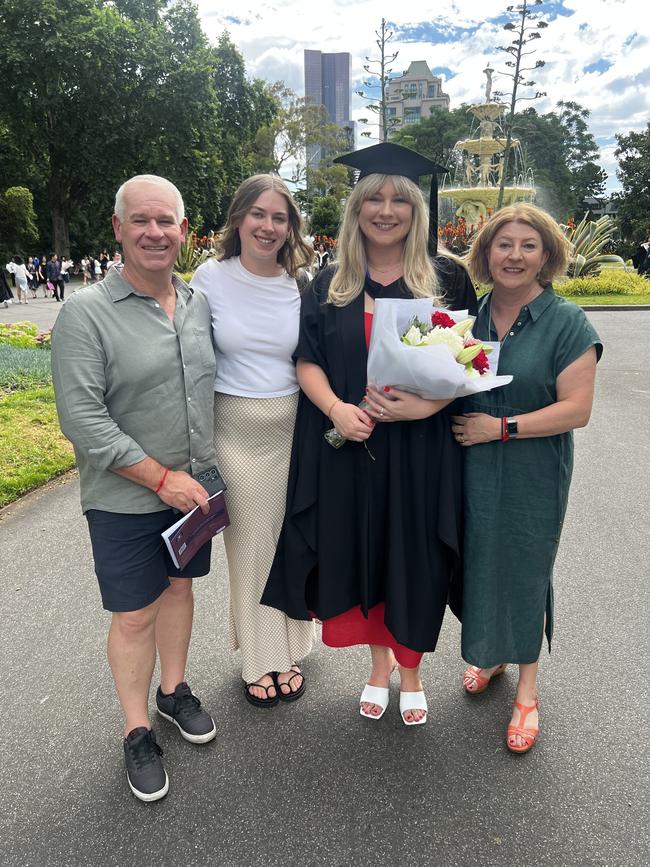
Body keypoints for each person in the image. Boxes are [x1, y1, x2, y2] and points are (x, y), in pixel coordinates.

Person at [262, 142, 477, 725]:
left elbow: (471, 365)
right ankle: (379, 667)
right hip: (349, 449)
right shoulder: (331, 282)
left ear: (416, 211)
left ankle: (412, 672)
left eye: (399, 200)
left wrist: (428, 409)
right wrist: (334, 407)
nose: (386, 210)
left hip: (420, 451)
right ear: (356, 210)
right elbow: (307, 360)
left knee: (415, 553)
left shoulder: (448, 278)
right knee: (366, 551)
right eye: (373, 199)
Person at [51, 174, 218, 802]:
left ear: (182, 230)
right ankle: (137, 728)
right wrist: (160, 478)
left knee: (178, 588)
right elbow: (83, 420)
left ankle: (173, 692)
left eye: (166, 221)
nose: (155, 232)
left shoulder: (198, 302)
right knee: (135, 610)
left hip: (194, 492)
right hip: (127, 497)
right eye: (140, 221)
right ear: (118, 229)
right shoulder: (85, 312)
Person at [451, 203, 602, 753]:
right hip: (470, 466)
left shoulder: (566, 321)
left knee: (524, 565)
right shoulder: (473, 316)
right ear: (487, 253)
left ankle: (528, 691)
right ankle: (490, 655)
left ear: (547, 256)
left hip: (531, 469)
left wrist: (503, 428)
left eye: (527, 245)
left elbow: (577, 409)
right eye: (503, 244)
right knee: (478, 560)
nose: (514, 255)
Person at [190, 175, 316, 707]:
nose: (268, 226)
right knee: (250, 547)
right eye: (258, 214)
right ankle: (261, 661)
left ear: (291, 227)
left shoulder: (304, 283)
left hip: (296, 426)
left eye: (279, 217)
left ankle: (293, 644)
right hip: (234, 427)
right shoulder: (210, 277)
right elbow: (189, 355)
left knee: (294, 539)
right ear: (238, 218)